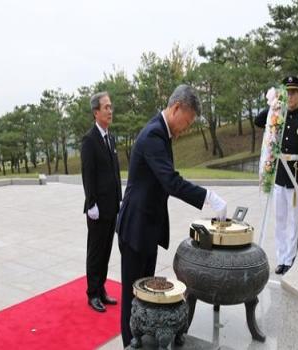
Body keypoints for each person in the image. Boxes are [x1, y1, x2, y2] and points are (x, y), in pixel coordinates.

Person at [115, 84, 227, 348]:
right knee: (134, 294)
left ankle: (141, 342)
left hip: (147, 226)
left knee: (145, 292)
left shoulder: (162, 133)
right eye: (186, 123)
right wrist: (208, 197)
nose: (184, 129)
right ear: (176, 108)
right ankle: (129, 344)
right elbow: (170, 181)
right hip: (135, 226)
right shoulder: (154, 134)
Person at [255, 76, 298, 275]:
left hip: (296, 178)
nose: (291, 96)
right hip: (279, 177)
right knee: (280, 219)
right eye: (288, 92)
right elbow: (258, 121)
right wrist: (274, 104)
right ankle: (281, 257)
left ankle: (290, 260)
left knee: (293, 222)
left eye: (294, 92)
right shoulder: (277, 116)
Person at [81, 91, 122, 313]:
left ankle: (102, 288)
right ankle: (92, 293)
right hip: (97, 209)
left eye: (110, 106)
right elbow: (88, 174)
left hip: (112, 206)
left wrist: (120, 199)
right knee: (96, 251)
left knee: (106, 250)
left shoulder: (110, 138)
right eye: (106, 107)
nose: (110, 110)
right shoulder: (90, 140)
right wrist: (91, 203)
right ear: (96, 112)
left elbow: (115, 173)